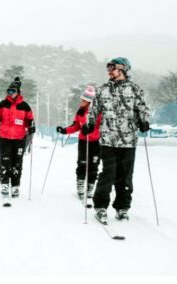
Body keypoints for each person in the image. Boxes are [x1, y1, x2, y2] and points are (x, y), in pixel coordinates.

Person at [86, 57, 150, 224]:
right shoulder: (102, 90)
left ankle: (122, 208)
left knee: (125, 176)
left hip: (128, 140)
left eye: (112, 67)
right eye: (108, 67)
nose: (109, 70)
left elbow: (142, 107)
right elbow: (93, 110)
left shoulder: (135, 89)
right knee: (108, 173)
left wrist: (144, 120)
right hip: (108, 139)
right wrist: (90, 123)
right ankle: (100, 207)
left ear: (123, 69)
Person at [0, 77, 35, 198]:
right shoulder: (3, 104)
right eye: (8, 91)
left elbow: (30, 119)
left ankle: (15, 186)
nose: (10, 93)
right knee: (5, 161)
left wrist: (31, 126)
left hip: (19, 138)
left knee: (17, 163)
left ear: (18, 92)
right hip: (4, 137)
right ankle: (4, 184)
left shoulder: (25, 106)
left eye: (12, 91)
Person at [56, 86, 102, 200]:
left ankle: (90, 188)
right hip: (83, 142)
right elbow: (76, 125)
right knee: (82, 163)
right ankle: (80, 186)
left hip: (96, 142)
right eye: (81, 99)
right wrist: (65, 130)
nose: (80, 102)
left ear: (89, 102)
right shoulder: (80, 112)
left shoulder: (98, 112)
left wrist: (92, 130)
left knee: (93, 165)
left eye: (83, 100)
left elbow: (102, 126)